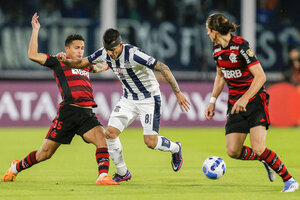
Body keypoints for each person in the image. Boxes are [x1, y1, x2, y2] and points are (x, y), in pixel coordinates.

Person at [56, 28, 191, 183]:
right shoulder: (104, 53)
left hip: (149, 99)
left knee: (150, 142)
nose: (110, 54)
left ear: (120, 45)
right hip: (128, 99)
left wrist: (178, 93)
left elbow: (163, 68)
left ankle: (175, 148)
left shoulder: (134, 54)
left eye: (113, 50)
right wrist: (65, 61)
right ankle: (122, 172)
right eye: (108, 50)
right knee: (110, 133)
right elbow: (81, 63)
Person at [2, 13, 119, 185]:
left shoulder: (85, 65)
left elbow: (101, 67)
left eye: (82, 48)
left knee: (102, 138)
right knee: (45, 154)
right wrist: (35, 30)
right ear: (67, 49)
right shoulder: (58, 61)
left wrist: (114, 59)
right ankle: (15, 167)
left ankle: (103, 176)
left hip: (86, 113)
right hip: (68, 113)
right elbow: (33, 55)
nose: (80, 51)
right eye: (77, 47)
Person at [204, 13, 298, 192]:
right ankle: (266, 160)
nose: (207, 34)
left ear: (215, 31)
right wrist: (212, 101)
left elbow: (261, 76)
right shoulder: (216, 50)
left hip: (254, 102)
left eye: (208, 31)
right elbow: (220, 77)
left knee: (259, 148)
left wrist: (245, 98)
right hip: (235, 105)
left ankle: (289, 180)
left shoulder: (240, 46)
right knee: (233, 151)